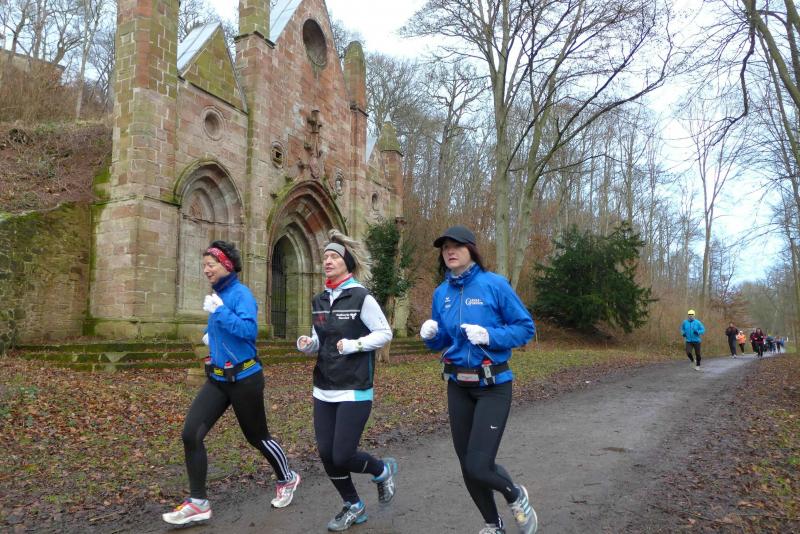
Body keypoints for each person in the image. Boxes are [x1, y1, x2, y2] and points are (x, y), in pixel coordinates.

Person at [162, 241, 300, 525]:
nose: (206, 270)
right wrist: (209, 333)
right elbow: (222, 330)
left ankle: (287, 477)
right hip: (218, 379)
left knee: (257, 437)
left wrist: (220, 311)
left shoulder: (241, 294)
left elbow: (249, 331)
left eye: (210, 265)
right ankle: (198, 503)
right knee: (191, 434)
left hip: (245, 378)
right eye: (204, 265)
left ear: (226, 265)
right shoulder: (219, 294)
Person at [420, 225, 538, 534]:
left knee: (478, 464)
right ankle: (493, 525)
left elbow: (525, 328)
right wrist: (431, 337)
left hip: (493, 386)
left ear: (471, 249)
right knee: (467, 465)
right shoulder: (441, 293)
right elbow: (445, 341)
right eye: (445, 247)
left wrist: (489, 335)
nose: (449, 251)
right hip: (458, 386)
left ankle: (515, 494)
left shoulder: (494, 284)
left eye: (456, 245)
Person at [296, 229, 398, 532]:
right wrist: (308, 344)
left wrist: (355, 345)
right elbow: (321, 338)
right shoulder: (319, 299)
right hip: (324, 387)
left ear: (347, 263)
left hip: (354, 388)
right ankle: (353, 504)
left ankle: (382, 470)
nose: (327, 261)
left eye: (334, 257)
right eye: (325, 257)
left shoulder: (361, 297)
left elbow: (384, 333)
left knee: (342, 454)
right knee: (326, 454)